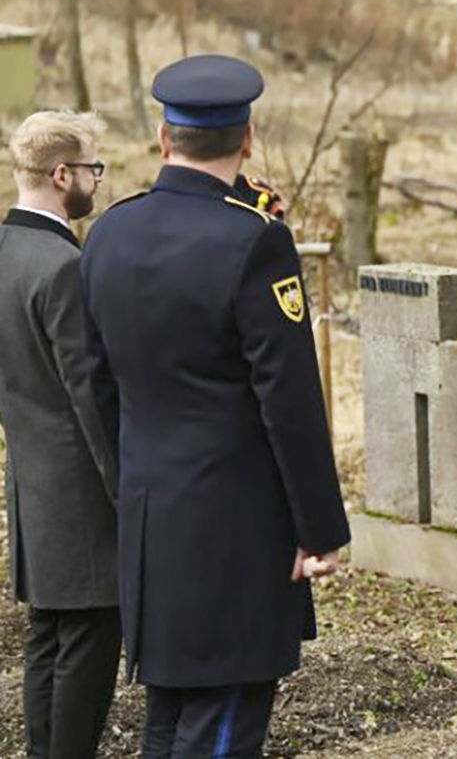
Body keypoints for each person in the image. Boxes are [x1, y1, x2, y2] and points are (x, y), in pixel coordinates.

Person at [80, 54, 351, 757]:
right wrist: (319, 527)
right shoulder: (254, 240)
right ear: (249, 138)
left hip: (149, 517)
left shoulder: (109, 232)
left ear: (165, 140)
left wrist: (130, 481)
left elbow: (93, 380)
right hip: (235, 529)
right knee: (224, 716)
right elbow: (287, 398)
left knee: (169, 719)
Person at [0, 111, 120, 759]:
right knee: (89, 645)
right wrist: (130, 493)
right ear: (62, 174)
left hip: (31, 484)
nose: (96, 183)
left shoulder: (5, 252)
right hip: (81, 497)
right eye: (93, 170)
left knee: (46, 640)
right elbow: (92, 398)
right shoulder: (62, 266)